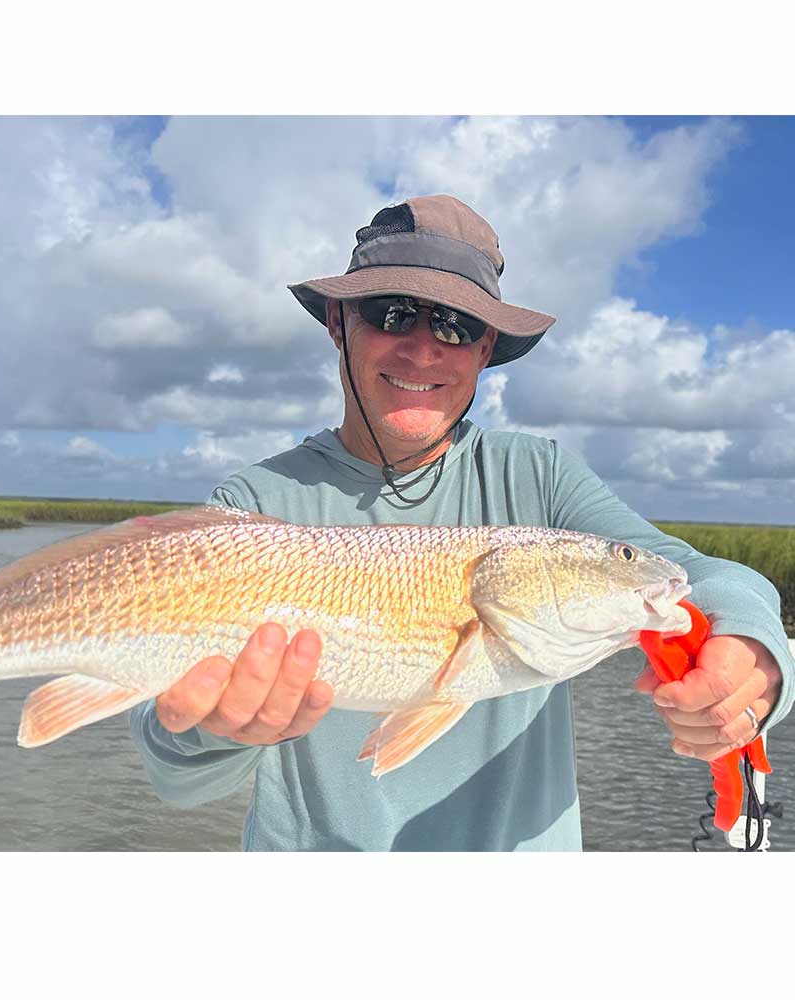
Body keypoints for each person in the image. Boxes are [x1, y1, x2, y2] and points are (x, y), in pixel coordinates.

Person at [129, 195, 792, 850]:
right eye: (392, 313)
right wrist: (216, 726)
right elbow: (175, 778)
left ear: (484, 351)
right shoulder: (253, 502)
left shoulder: (540, 477)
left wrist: (756, 660)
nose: (422, 349)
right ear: (339, 323)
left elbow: (700, 577)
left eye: (456, 325)